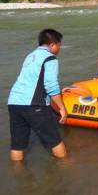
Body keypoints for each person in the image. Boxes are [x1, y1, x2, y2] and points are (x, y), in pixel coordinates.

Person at [7, 28, 67, 161]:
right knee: (54, 140)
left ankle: (19, 175)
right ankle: (66, 168)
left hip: (14, 102)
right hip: (34, 104)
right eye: (59, 45)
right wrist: (61, 108)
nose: (59, 48)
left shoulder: (30, 56)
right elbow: (51, 85)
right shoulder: (50, 58)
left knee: (17, 145)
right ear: (52, 45)